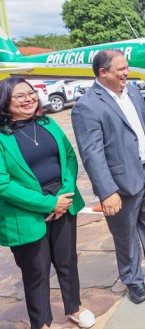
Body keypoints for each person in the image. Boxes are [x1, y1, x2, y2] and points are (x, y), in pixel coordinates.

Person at [71, 49, 145, 305]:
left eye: (127, 67)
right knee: (126, 236)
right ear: (103, 72)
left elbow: (144, 125)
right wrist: (107, 191)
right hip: (120, 184)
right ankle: (133, 281)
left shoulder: (132, 91)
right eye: (121, 69)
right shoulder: (87, 106)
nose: (127, 72)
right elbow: (92, 154)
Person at [0, 77, 95, 329]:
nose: (28, 98)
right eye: (19, 96)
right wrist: (48, 204)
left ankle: (74, 307)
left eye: (30, 93)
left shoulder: (48, 123)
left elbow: (69, 158)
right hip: (27, 214)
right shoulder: (1, 138)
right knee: (36, 272)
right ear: (5, 102)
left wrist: (63, 196)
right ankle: (41, 323)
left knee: (67, 261)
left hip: (63, 204)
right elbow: (3, 184)